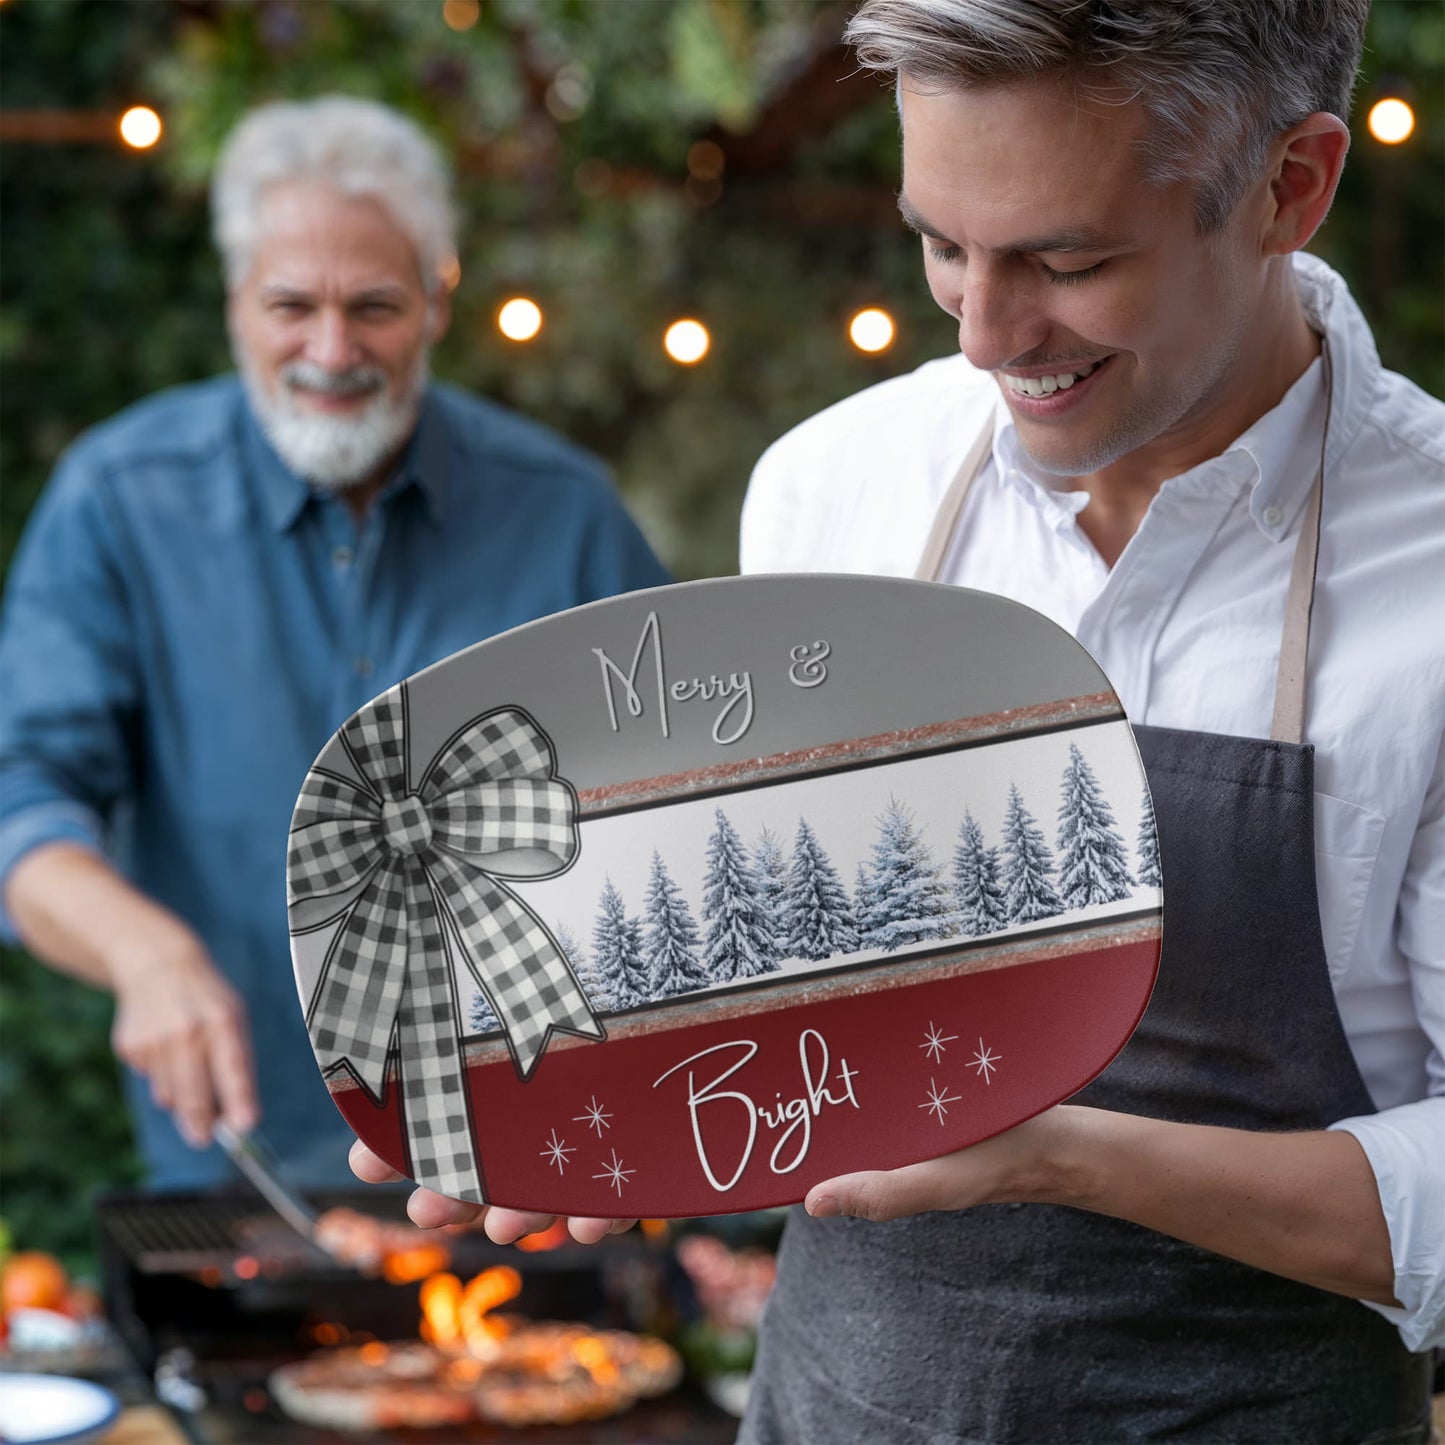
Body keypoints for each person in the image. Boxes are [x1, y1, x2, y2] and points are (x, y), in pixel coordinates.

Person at [351, 1, 1444, 1438]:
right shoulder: (837, 484)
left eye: (1068, 260)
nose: (987, 335)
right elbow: (765, 989)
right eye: (940, 243)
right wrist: (616, 1103)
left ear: (1289, 187)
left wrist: (1057, 1154)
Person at [0, 96, 669, 1192]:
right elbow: (22, 802)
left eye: (373, 306)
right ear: (233, 303)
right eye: (289, 305)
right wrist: (142, 950)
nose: (331, 348)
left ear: (439, 300)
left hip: (529, 1161)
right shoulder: (119, 500)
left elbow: (678, 797)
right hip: (235, 1172)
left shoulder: (566, 513)